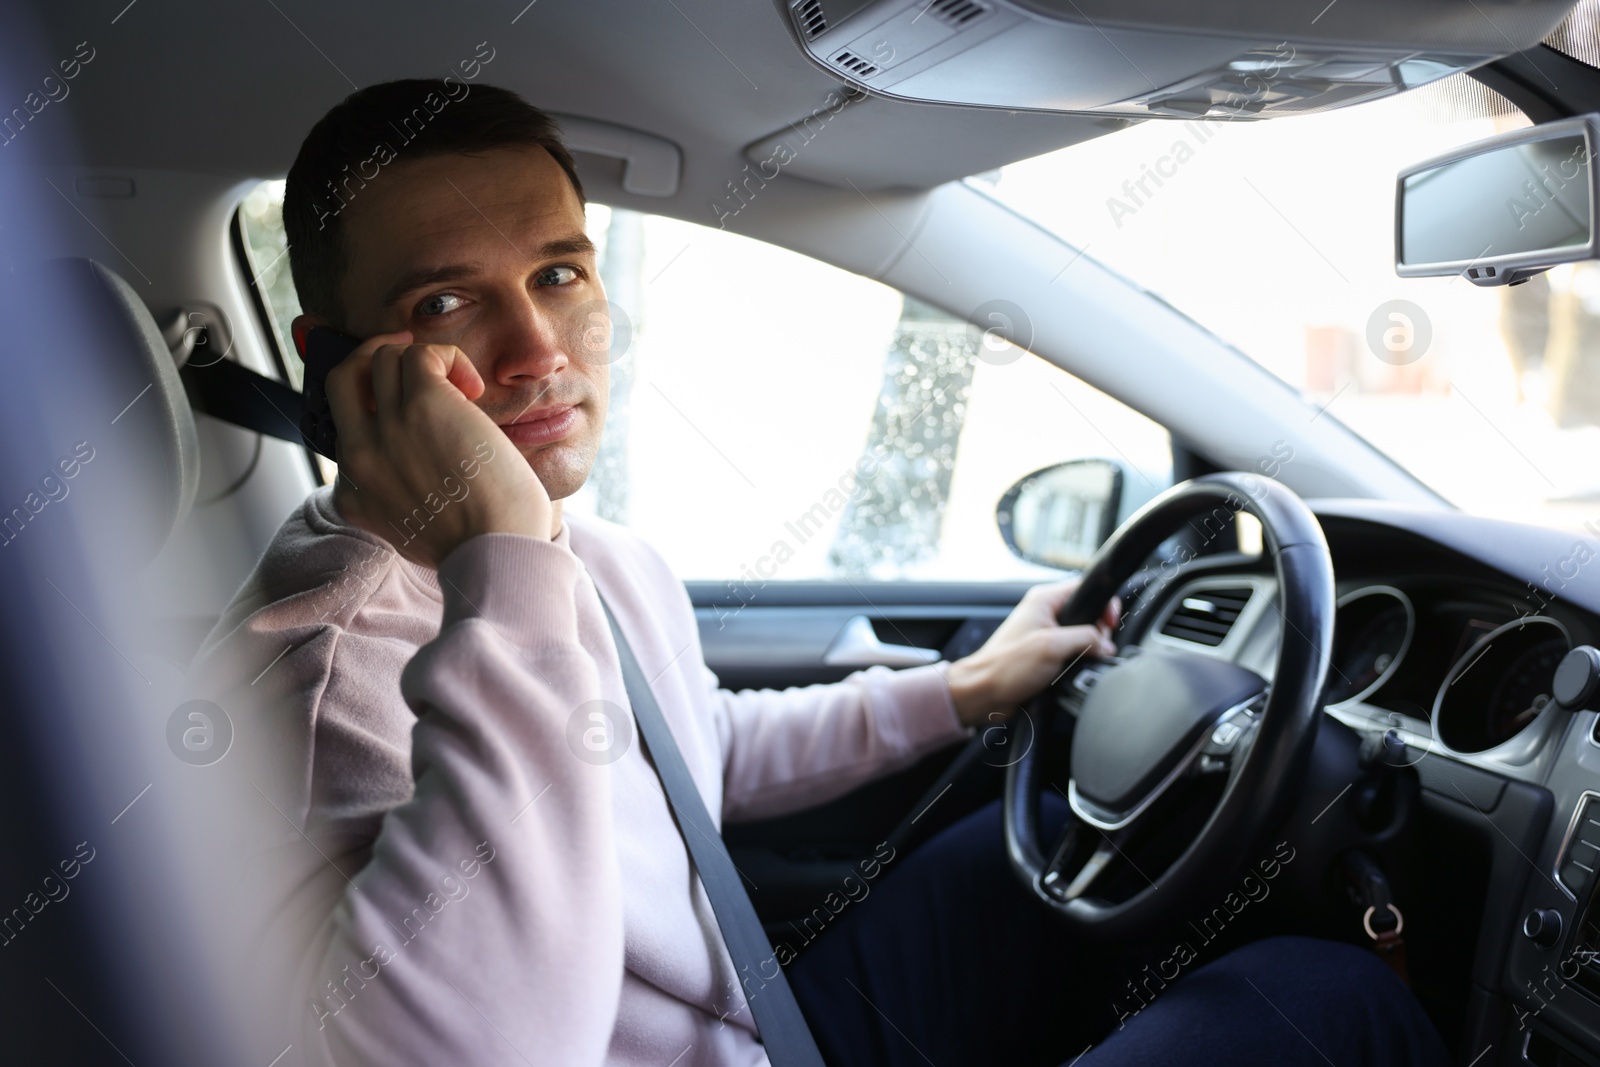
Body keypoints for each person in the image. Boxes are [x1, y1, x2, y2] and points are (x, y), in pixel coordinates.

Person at [187, 79, 1452, 1067]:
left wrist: (963, 690)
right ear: (337, 359)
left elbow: (700, 757)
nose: (534, 350)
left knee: (1048, 844)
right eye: (449, 305)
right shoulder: (330, 674)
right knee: (1319, 1002)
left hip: (756, 1013)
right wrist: (499, 555)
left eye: (560, 273)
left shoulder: (595, 558)